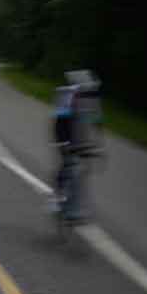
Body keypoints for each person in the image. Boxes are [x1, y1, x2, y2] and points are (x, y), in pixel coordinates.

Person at [50, 69, 103, 218]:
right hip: (64, 134)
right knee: (68, 165)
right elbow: (59, 122)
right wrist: (62, 143)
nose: (90, 92)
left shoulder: (93, 99)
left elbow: (97, 123)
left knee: (81, 171)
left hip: (81, 137)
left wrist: (99, 145)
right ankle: (56, 196)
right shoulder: (66, 95)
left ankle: (75, 208)